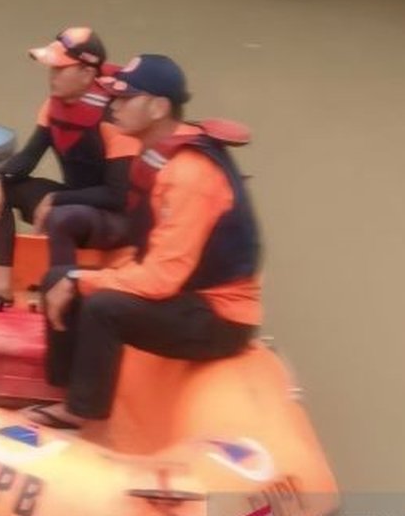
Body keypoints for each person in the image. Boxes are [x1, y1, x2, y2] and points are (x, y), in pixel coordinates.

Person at [25, 55, 261, 430]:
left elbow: (161, 279)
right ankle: (62, 390)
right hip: (186, 292)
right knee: (59, 275)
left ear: (158, 107)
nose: (112, 106)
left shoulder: (190, 175)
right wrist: (74, 277)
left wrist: (83, 280)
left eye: (124, 98)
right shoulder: (156, 156)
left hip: (219, 317)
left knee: (100, 304)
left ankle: (82, 412)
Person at [0, 28, 139, 306]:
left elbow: (117, 195)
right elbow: (28, 158)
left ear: (86, 74)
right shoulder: (53, 106)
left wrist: (57, 198)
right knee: (0, 189)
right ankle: (2, 286)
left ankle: (63, 304)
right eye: (52, 69)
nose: (52, 76)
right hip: (76, 203)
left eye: (61, 69)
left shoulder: (116, 117)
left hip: (116, 221)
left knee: (63, 216)